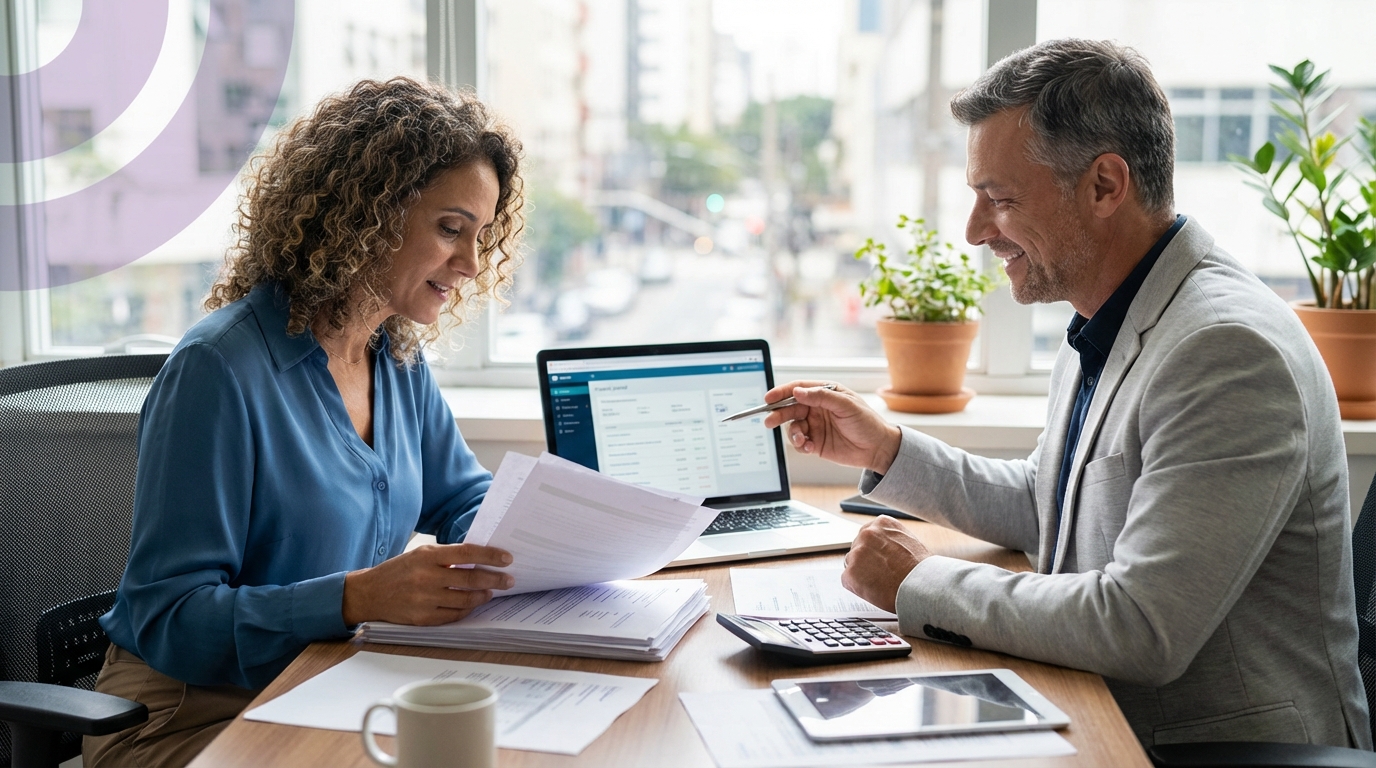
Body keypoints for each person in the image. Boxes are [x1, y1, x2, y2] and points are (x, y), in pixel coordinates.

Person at [765, 39, 1371, 750]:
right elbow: (1052, 505)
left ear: (1105, 186)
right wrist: (888, 449)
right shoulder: (1111, 309)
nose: (974, 232)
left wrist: (919, 580)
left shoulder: (1227, 352)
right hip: (1099, 710)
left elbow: (1143, 626)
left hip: (1211, 750)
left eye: (1000, 200)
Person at [84, 77, 525, 768]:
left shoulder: (395, 357)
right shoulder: (219, 370)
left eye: (481, 237)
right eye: (450, 230)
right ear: (370, 213)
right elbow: (171, 616)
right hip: (185, 717)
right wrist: (353, 599)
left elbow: (462, 498)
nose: (471, 265)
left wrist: (538, 543)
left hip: (320, 688)